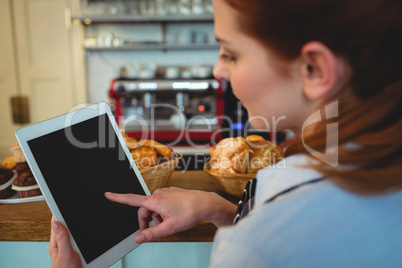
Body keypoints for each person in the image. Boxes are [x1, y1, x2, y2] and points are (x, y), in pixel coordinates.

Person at [49, 0, 402, 267]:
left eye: (231, 53)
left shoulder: (260, 247)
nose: (219, 69)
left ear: (314, 69)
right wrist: (219, 208)